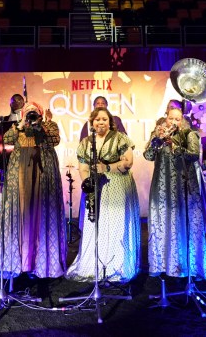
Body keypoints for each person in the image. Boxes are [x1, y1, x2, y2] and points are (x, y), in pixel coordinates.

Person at [0, 100, 67, 305]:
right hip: (20, 178)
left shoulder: (48, 125)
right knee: (22, 220)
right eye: (28, 113)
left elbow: (55, 140)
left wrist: (41, 125)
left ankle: (43, 274)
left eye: (35, 113)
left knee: (41, 221)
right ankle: (21, 269)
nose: (32, 115)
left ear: (40, 114)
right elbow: (6, 139)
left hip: (42, 176)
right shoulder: (19, 128)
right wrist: (20, 125)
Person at [66, 105, 140, 284]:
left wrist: (106, 168)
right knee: (96, 225)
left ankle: (116, 265)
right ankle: (94, 264)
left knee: (115, 223)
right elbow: (83, 167)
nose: (101, 122)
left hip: (117, 185)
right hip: (95, 188)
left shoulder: (120, 138)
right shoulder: (85, 143)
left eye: (104, 119)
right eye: (97, 119)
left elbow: (128, 162)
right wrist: (87, 182)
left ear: (110, 123)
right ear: (92, 122)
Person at [143, 101, 206, 280]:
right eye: (171, 118)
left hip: (183, 184)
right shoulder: (157, 132)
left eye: (177, 119)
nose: (174, 122)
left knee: (182, 220)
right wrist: (154, 140)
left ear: (183, 120)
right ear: (165, 117)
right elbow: (148, 156)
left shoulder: (189, 134)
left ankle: (184, 263)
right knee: (163, 220)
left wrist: (173, 144)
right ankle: (163, 263)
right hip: (162, 184)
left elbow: (193, 155)